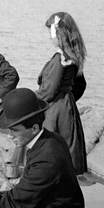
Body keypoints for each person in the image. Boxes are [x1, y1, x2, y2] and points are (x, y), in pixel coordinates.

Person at [35, 12, 88, 175]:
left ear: (59, 34)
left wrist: (28, 100)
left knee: (51, 151)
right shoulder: (73, 56)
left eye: (50, 34)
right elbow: (81, 85)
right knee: (68, 151)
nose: (49, 38)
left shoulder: (60, 58)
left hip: (54, 111)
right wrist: (68, 100)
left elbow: (48, 92)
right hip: (66, 109)